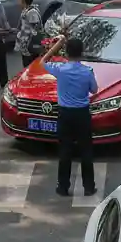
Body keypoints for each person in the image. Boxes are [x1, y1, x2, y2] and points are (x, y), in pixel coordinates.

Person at [39, 34, 98, 197]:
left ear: (66, 53)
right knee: (86, 150)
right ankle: (88, 186)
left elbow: (43, 61)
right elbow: (94, 90)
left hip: (64, 114)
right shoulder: (87, 72)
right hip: (82, 114)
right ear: (81, 53)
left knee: (65, 150)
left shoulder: (60, 70)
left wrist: (58, 44)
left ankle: (63, 187)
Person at [15, 0, 44, 67]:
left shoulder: (32, 12)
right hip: (26, 47)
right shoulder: (26, 10)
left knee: (30, 67)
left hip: (30, 48)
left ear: (23, 1)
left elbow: (35, 30)